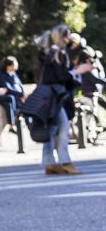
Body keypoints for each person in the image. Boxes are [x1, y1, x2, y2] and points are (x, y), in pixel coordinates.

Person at [30, 26, 87, 176]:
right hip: (53, 97)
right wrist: (76, 72)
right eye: (66, 36)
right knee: (63, 127)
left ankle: (49, 163)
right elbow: (58, 77)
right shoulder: (54, 54)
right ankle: (65, 162)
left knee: (52, 129)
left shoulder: (55, 53)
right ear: (60, 37)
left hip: (54, 97)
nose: (68, 39)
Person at [1, 56, 27, 124]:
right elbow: (7, 88)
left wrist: (23, 94)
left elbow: (20, 85)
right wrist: (20, 94)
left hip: (19, 97)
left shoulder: (14, 74)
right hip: (13, 97)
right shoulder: (2, 75)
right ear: (8, 66)